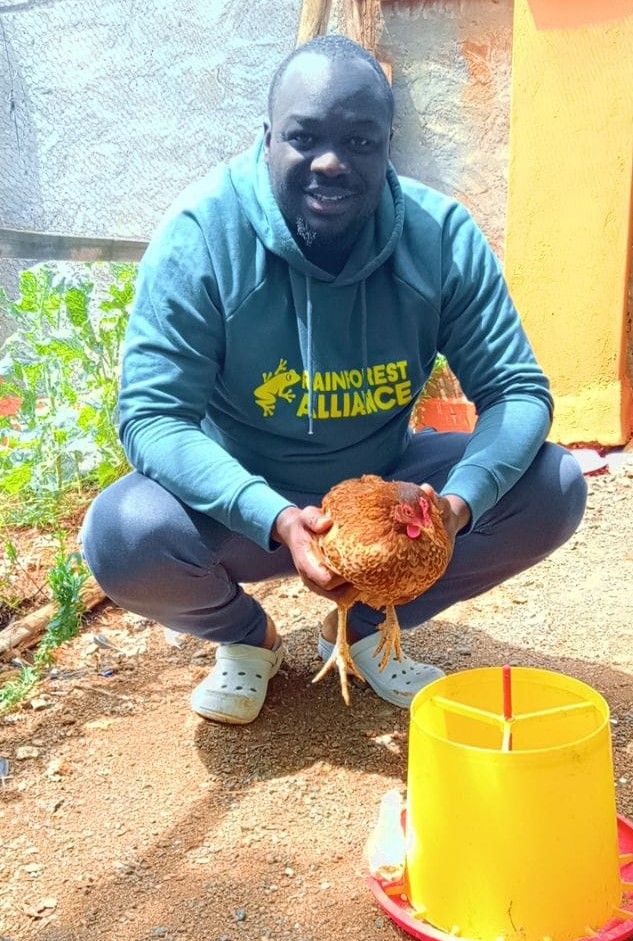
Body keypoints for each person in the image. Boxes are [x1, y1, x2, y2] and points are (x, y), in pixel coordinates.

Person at [81, 35, 586, 725]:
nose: (329, 161)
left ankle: (372, 626)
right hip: (242, 498)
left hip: (383, 489)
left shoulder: (438, 238)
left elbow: (517, 389)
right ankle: (245, 638)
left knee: (549, 488)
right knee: (122, 534)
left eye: (359, 141)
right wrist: (275, 517)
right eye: (303, 137)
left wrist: (455, 508)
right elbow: (151, 416)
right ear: (266, 137)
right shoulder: (202, 235)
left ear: (387, 146)